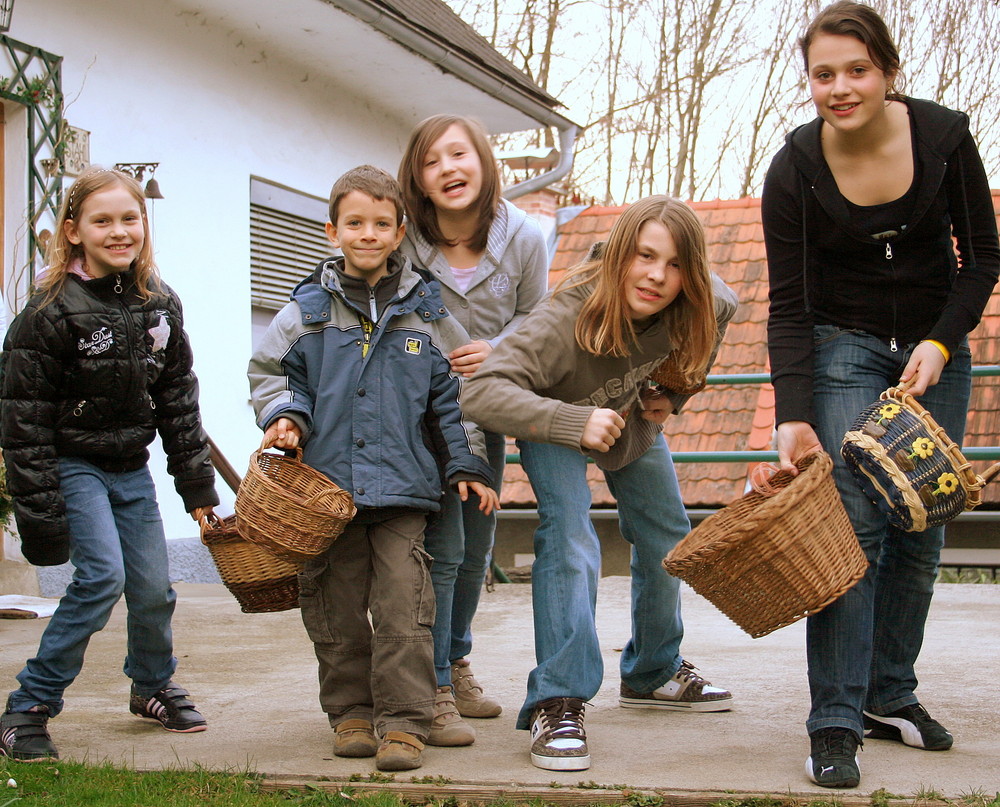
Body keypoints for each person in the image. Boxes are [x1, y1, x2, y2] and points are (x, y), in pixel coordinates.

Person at [761, 1, 1000, 790]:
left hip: (934, 343)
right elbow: (790, 307)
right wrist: (794, 415)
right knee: (854, 526)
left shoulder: (944, 138)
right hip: (843, 342)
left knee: (922, 520)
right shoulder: (794, 168)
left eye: (856, 70)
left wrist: (939, 341)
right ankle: (834, 718)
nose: (840, 87)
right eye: (823, 74)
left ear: (888, 72)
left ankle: (889, 692)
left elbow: (982, 258)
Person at [463, 195, 739, 771]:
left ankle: (653, 670)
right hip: (554, 416)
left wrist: (674, 394)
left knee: (668, 534)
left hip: (628, 417)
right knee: (571, 536)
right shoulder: (564, 316)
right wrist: (573, 421)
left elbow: (712, 327)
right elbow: (481, 390)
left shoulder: (709, 301)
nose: (657, 276)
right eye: (644, 256)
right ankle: (558, 698)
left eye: (674, 264)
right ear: (619, 256)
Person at [247, 164, 499, 772]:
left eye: (381, 224)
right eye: (354, 223)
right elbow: (274, 375)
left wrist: (468, 464)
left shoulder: (426, 309)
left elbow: (454, 397)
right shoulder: (304, 310)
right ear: (332, 230)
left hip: (404, 493)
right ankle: (352, 714)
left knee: (403, 606)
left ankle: (406, 723)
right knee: (334, 609)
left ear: (399, 230)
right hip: (327, 491)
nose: (368, 234)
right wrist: (285, 417)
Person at [0, 166, 220, 762]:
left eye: (131, 219)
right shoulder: (48, 315)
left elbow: (178, 399)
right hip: (73, 465)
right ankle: (29, 706)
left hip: (131, 468)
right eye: (103, 221)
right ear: (73, 231)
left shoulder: (160, 303)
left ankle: (151, 686)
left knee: (153, 588)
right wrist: (42, 517)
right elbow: (22, 424)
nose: (120, 231)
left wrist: (196, 485)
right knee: (102, 579)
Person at [396, 114, 549, 746]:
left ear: (485, 164)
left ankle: (455, 661)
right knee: (442, 550)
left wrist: (500, 351)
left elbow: (543, 320)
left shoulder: (525, 238)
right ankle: (427, 681)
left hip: (488, 415)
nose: (448, 170)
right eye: (432, 162)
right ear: (418, 179)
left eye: (459, 155)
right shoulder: (402, 238)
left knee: (477, 549)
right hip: (419, 419)